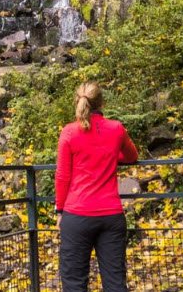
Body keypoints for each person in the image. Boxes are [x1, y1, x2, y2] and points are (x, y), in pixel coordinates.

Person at [55, 81, 139, 292]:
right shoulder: (116, 129)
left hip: (77, 215)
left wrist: (59, 210)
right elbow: (132, 156)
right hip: (111, 215)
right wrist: (110, 156)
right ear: (101, 103)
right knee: (115, 283)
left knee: (74, 283)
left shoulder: (69, 132)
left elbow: (63, 176)